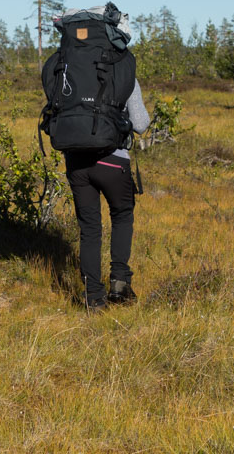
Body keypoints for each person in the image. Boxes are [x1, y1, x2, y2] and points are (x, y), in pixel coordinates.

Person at [63, 77, 150, 312]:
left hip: (76, 162)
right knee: (122, 216)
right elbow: (141, 124)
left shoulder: (72, 72)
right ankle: (119, 284)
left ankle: (93, 297)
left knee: (90, 229)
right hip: (113, 159)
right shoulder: (125, 75)